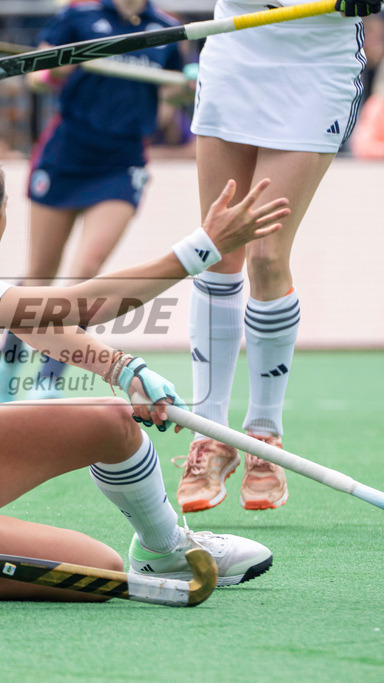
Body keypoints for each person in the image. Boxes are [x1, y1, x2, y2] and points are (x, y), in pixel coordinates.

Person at [0, 141, 290, 601]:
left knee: (112, 421)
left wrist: (122, 369)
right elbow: (83, 305)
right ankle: (158, 555)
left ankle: (165, 552)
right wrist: (203, 248)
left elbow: (33, 319)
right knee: (97, 570)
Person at [175, 0, 377, 513]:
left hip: (317, 56)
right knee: (217, 247)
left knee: (266, 254)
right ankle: (209, 435)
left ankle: (264, 437)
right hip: (237, 43)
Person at [0, 0, 191, 404]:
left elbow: (167, 106)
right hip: (66, 157)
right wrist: (51, 72)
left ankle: (49, 379)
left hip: (121, 164)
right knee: (40, 277)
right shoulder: (77, 18)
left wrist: (182, 91)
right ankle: (8, 365)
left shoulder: (166, 29)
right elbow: (36, 78)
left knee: (85, 274)